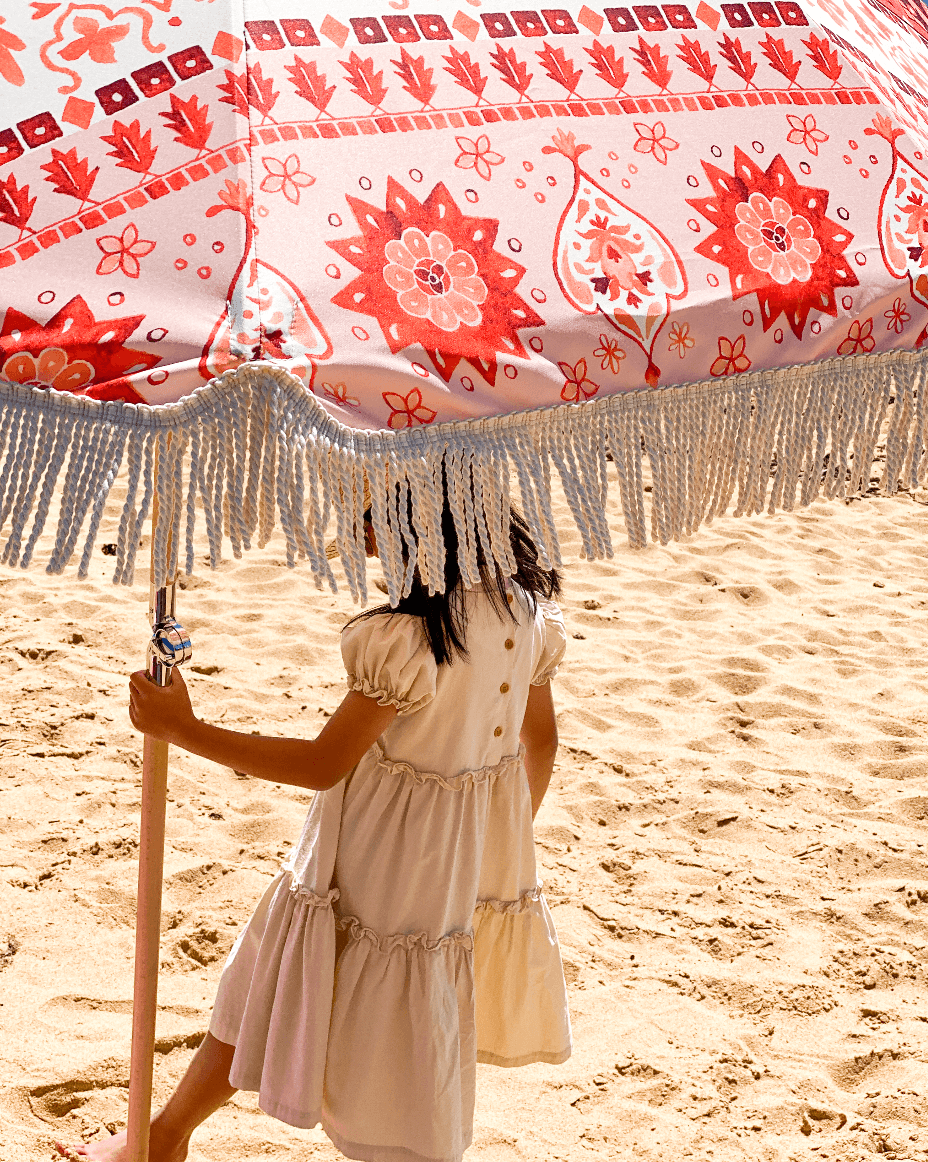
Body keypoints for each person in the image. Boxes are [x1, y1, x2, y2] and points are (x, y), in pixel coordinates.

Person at [57, 486, 572, 1162]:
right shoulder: (524, 613)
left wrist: (183, 729)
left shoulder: (413, 639)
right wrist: (496, 846)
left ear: (420, 528)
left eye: (369, 516)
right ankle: (163, 1136)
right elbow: (541, 742)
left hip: (372, 852)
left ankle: (171, 1138)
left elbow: (323, 764)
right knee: (301, 979)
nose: (353, 529)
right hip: (450, 860)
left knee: (326, 991)